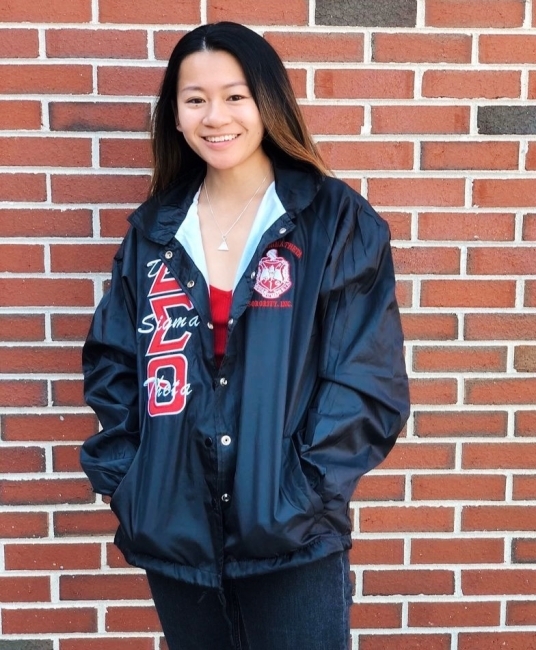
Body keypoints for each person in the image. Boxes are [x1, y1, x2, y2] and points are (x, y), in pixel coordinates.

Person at [80, 21, 410, 650]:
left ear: (268, 102)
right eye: (194, 98)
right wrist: (133, 480)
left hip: (292, 536)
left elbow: (368, 379)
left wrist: (302, 494)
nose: (215, 116)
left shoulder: (334, 220)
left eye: (235, 95)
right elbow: (114, 363)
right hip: (175, 535)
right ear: (174, 115)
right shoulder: (153, 234)